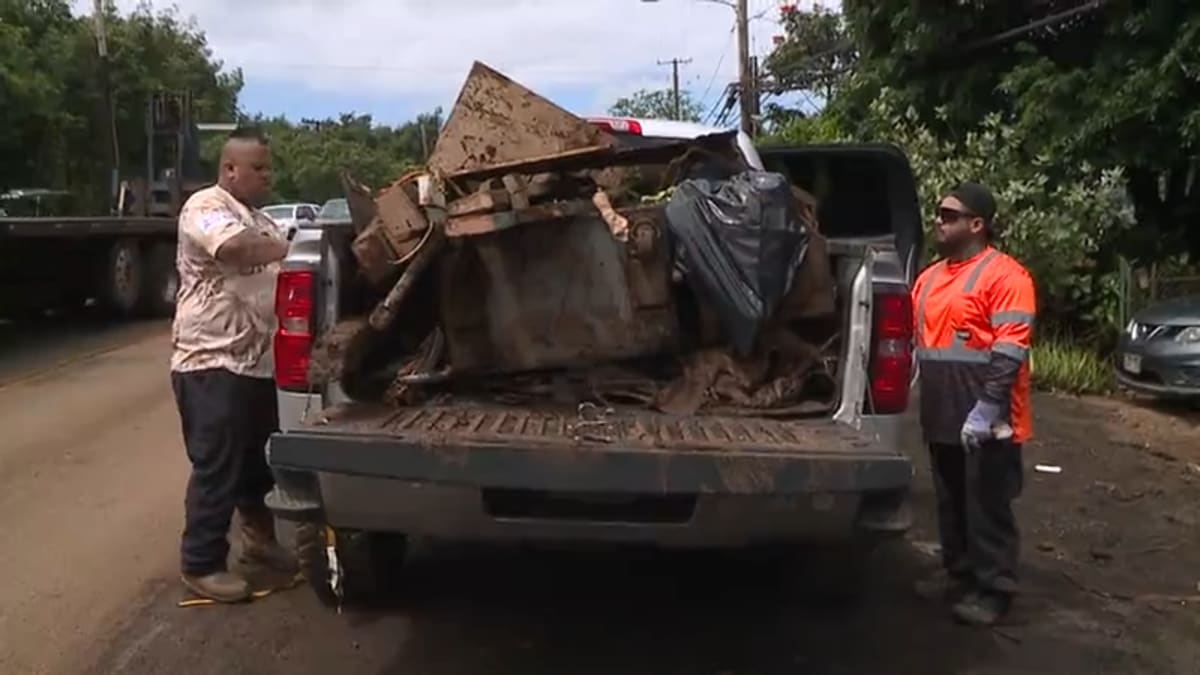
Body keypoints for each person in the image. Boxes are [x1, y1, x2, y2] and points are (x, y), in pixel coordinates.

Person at [170, 127, 296, 602]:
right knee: (216, 465)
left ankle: (260, 544)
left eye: (268, 167)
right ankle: (200, 564)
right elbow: (235, 250)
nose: (267, 176)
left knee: (256, 463)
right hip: (210, 360)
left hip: (258, 364)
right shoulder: (207, 207)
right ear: (230, 169)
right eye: (258, 168)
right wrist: (293, 248)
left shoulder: (262, 220)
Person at [910, 182, 1036, 626]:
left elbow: (1009, 350)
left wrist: (986, 410)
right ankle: (960, 574)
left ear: (977, 224)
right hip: (942, 413)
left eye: (949, 215)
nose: (939, 222)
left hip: (988, 418)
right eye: (939, 214)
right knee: (952, 503)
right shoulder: (928, 278)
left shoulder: (1007, 277)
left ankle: (994, 589)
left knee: (987, 506)